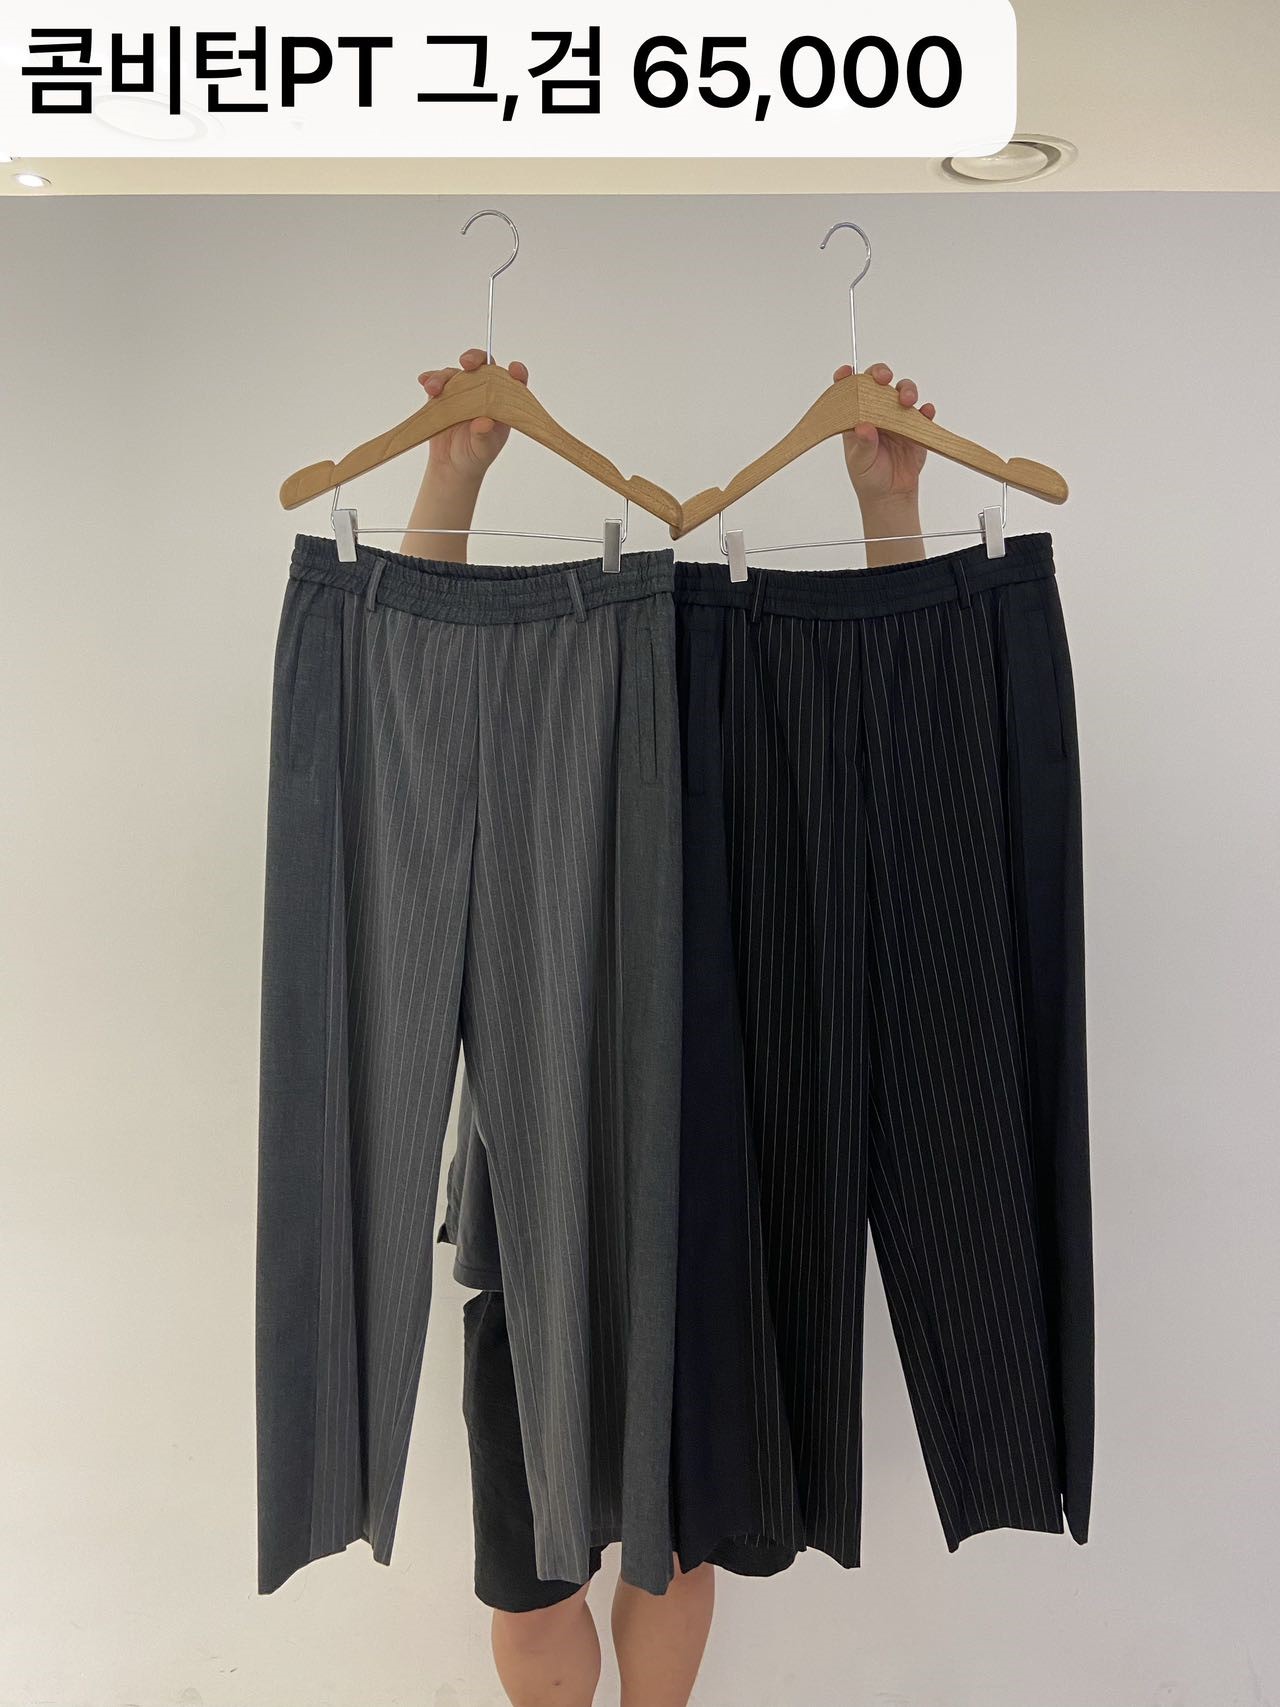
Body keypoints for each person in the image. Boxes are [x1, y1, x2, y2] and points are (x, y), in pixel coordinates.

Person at [397, 346, 938, 1707]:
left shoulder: (742, 738)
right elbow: (414, 685)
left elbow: (890, 706)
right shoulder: (523, 738)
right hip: (532, 1226)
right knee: (531, 1579)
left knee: (675, 1547)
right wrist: (449, 484)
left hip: (702, 1209)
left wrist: (890, 517)